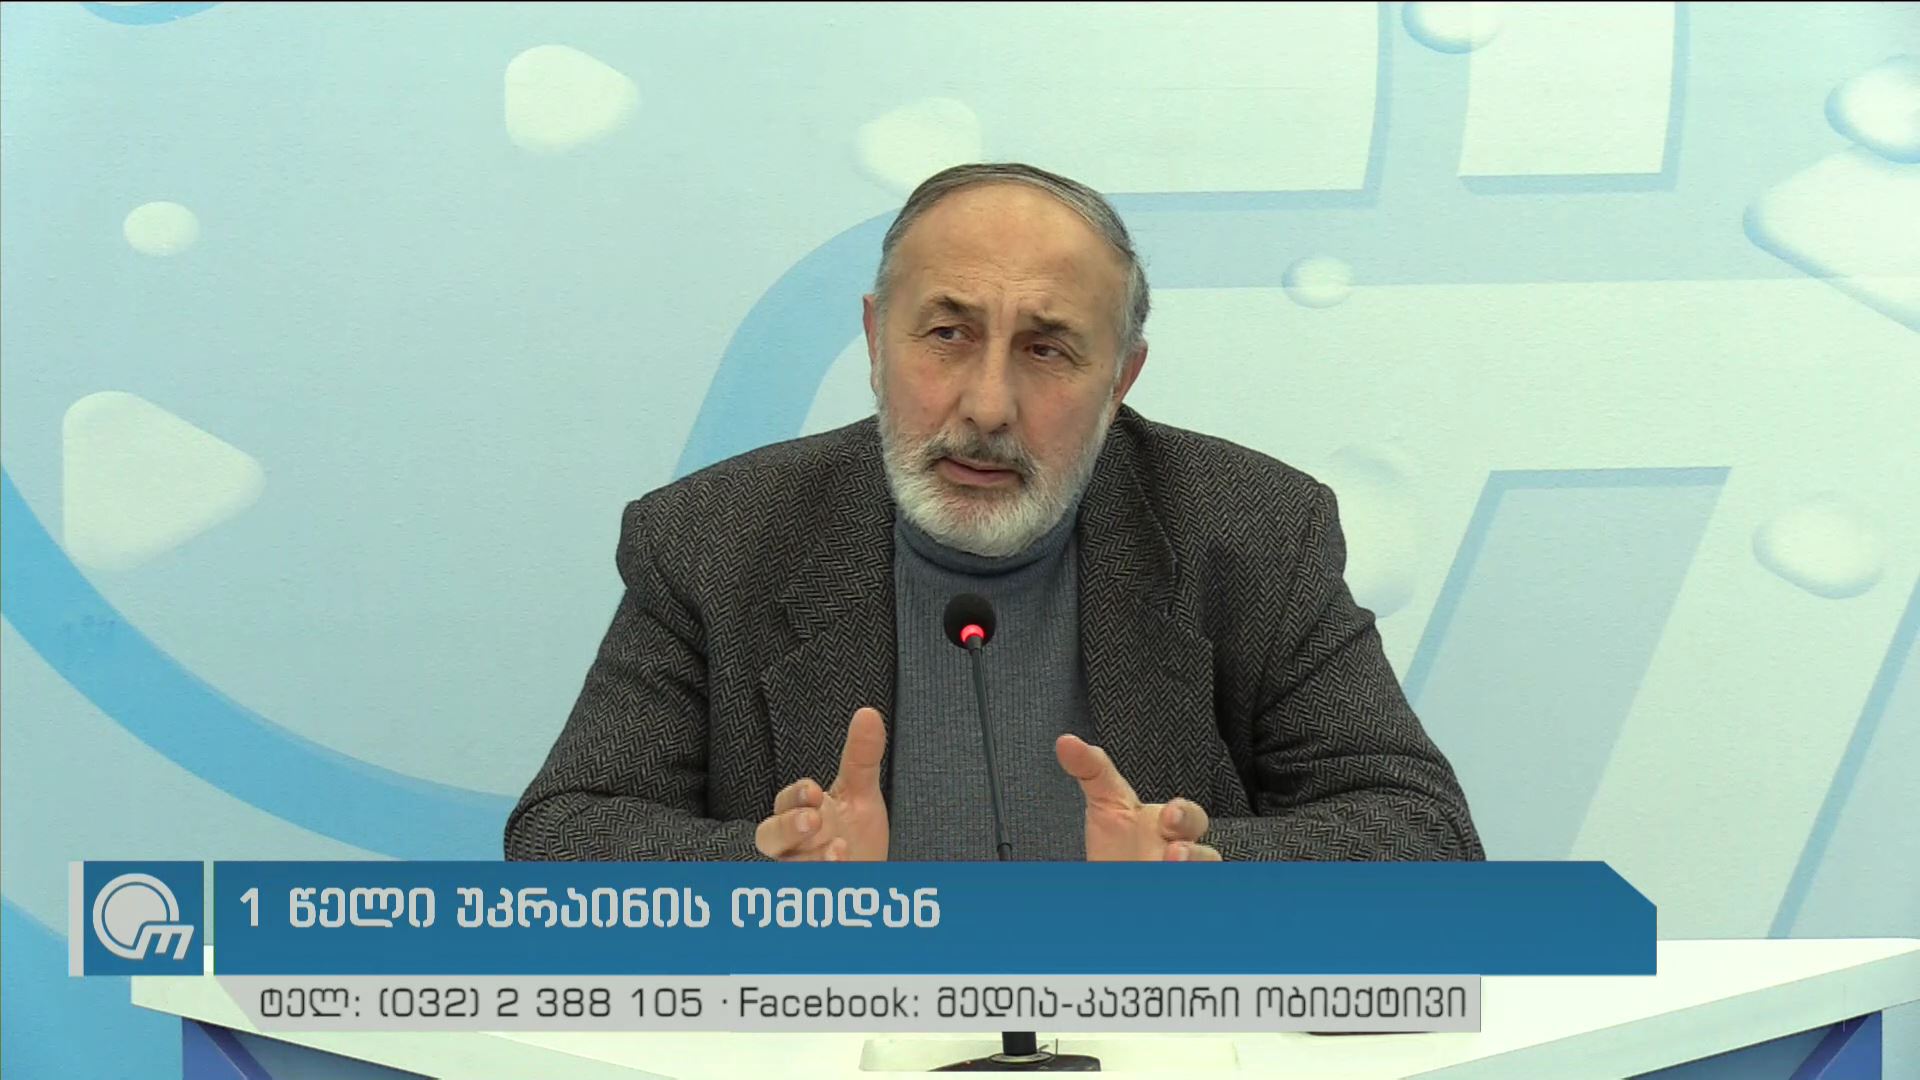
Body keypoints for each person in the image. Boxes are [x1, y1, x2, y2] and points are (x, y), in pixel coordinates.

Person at [505, 163, 1482, 864]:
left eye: (1047, 350)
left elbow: (1424, 834)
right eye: (947, 333)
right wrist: (770, 874)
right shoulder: (717, 538)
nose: (986, 407)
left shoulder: (1254, 530)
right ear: (875, 341)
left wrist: (1199, 875)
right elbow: (562, 836)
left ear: (1121, 379)